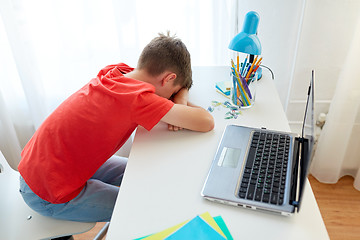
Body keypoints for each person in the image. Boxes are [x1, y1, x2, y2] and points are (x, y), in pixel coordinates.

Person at [18, 32, 214, 225]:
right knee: (144, 207)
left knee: (142, 172)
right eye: (172, 91)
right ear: (168, 78)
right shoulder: (138, 99)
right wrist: (180, 100)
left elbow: (180, 98)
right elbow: (206, 122)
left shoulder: (117, 71)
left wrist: (179, 94)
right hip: (45, 192)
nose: (169, 97)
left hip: (46, 165)